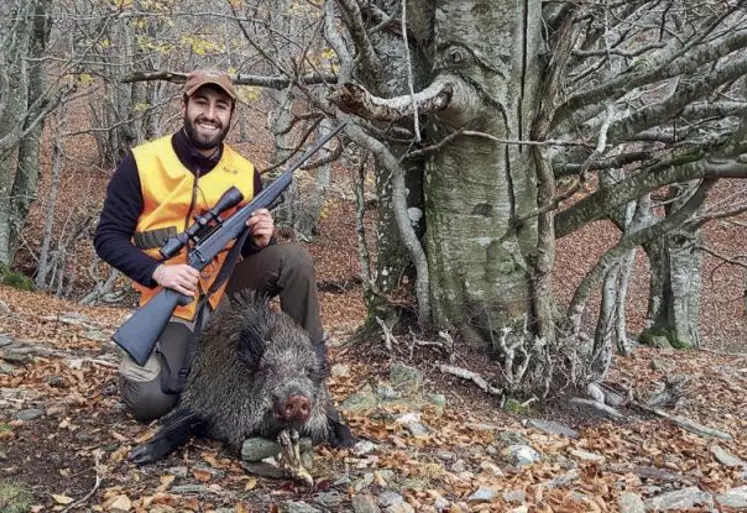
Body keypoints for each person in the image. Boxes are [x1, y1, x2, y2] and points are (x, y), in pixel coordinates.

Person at [94, 69, 341, 431]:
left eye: (221, 106)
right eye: (202, 102)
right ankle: (149, 356)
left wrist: (262, 241)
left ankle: (313, 378)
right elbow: (107, 237)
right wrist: (158, 272)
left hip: (226, 295)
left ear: (230, 115)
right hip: (170, 300)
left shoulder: (244, 172)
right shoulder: (142, 163)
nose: (210, 113)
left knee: (294, 260)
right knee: (149, 404)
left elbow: (250, 257)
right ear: (185, 105)